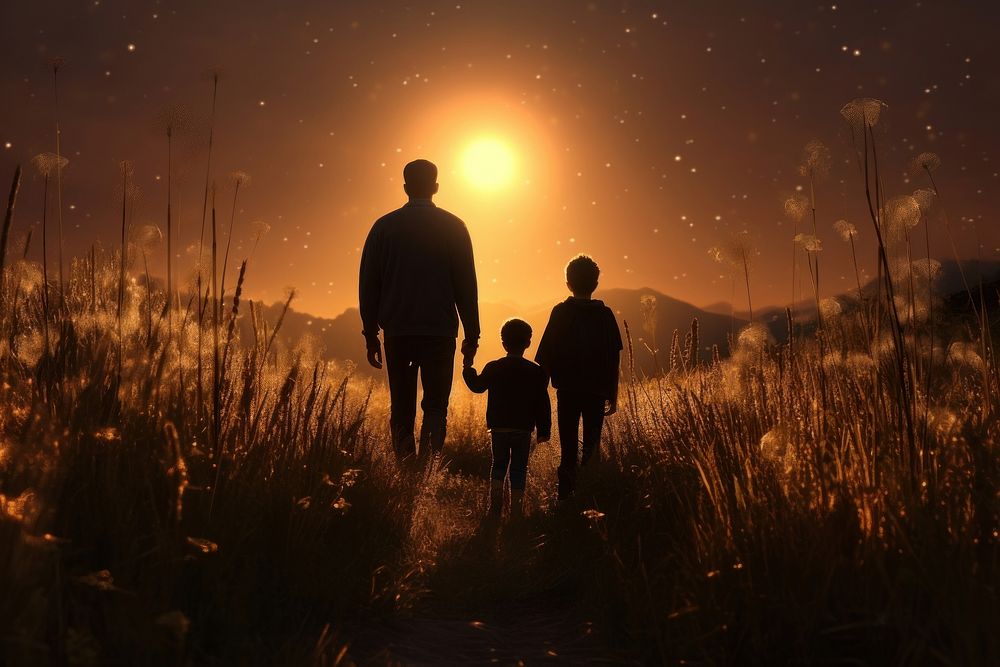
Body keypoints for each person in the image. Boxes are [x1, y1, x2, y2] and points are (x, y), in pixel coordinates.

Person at [359, 159, 480, 462]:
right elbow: (467, 285)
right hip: (439, 332)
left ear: (405, 187)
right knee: (436, 406)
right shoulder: (454, 226)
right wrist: (472, 333)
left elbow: (369, 284)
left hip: (399, 332)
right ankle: (428, 469)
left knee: (402, 406)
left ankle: (405, 471)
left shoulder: (383, 227)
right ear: (436, 187)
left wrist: (371, 332)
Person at [535, 255, 623, 500]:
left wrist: (540, 395)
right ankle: (589, 498)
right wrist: (612, 395)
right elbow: (614, 358)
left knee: (568, 448)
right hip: (596, 391)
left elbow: (545, 356)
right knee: (592, 449)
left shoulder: (560, 312)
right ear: (595, 284)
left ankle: (565, 499)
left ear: (568, 283)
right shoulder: (606, 315)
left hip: (568, 391)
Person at [463, 319, 551, 519]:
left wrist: (467, 364)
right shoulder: (535, 371)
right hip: (523, 429)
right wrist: (544, 430)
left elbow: (477, 386)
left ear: (503, 343)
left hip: (499, 428)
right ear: (528, 343)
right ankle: (516, 512)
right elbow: (542, 403)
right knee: (519, 468)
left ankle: (494, 509)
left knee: (499, 465)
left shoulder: (494, 367)